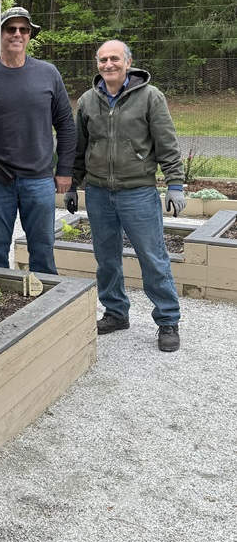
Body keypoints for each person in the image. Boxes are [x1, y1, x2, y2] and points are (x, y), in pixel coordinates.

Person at [64, 40, 185, 352]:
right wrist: (73, 185)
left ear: (128, 63)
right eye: (103, 60)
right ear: (97, 64)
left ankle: (168, 320)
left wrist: (175, 185)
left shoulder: (150, 97)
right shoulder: (88, 101)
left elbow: (167, 143)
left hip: (139, 192)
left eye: (114, 59)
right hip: (99, 193)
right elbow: (80, 148)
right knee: (106, 259)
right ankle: (116, 312)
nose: (108, 65)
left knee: (153, 257)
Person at [0, 6, 75, 275]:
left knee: (43, 248)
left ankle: (46, 306)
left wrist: (65, 171)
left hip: (39, 180)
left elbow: (66, 126)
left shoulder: (48, 73)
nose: (17, 34)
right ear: (0, 34)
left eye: (23, 30)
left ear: (29, 36)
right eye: (10, 29)